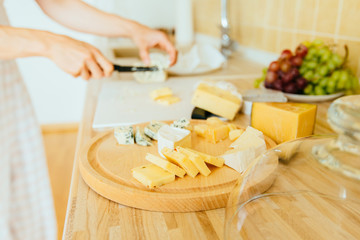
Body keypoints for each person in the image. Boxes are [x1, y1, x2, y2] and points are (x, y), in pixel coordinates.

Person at [0, 0, 177, 239]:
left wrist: (133, 29)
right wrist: (53, 44)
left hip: (7, 92)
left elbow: (57, 3)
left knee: (23, 213)